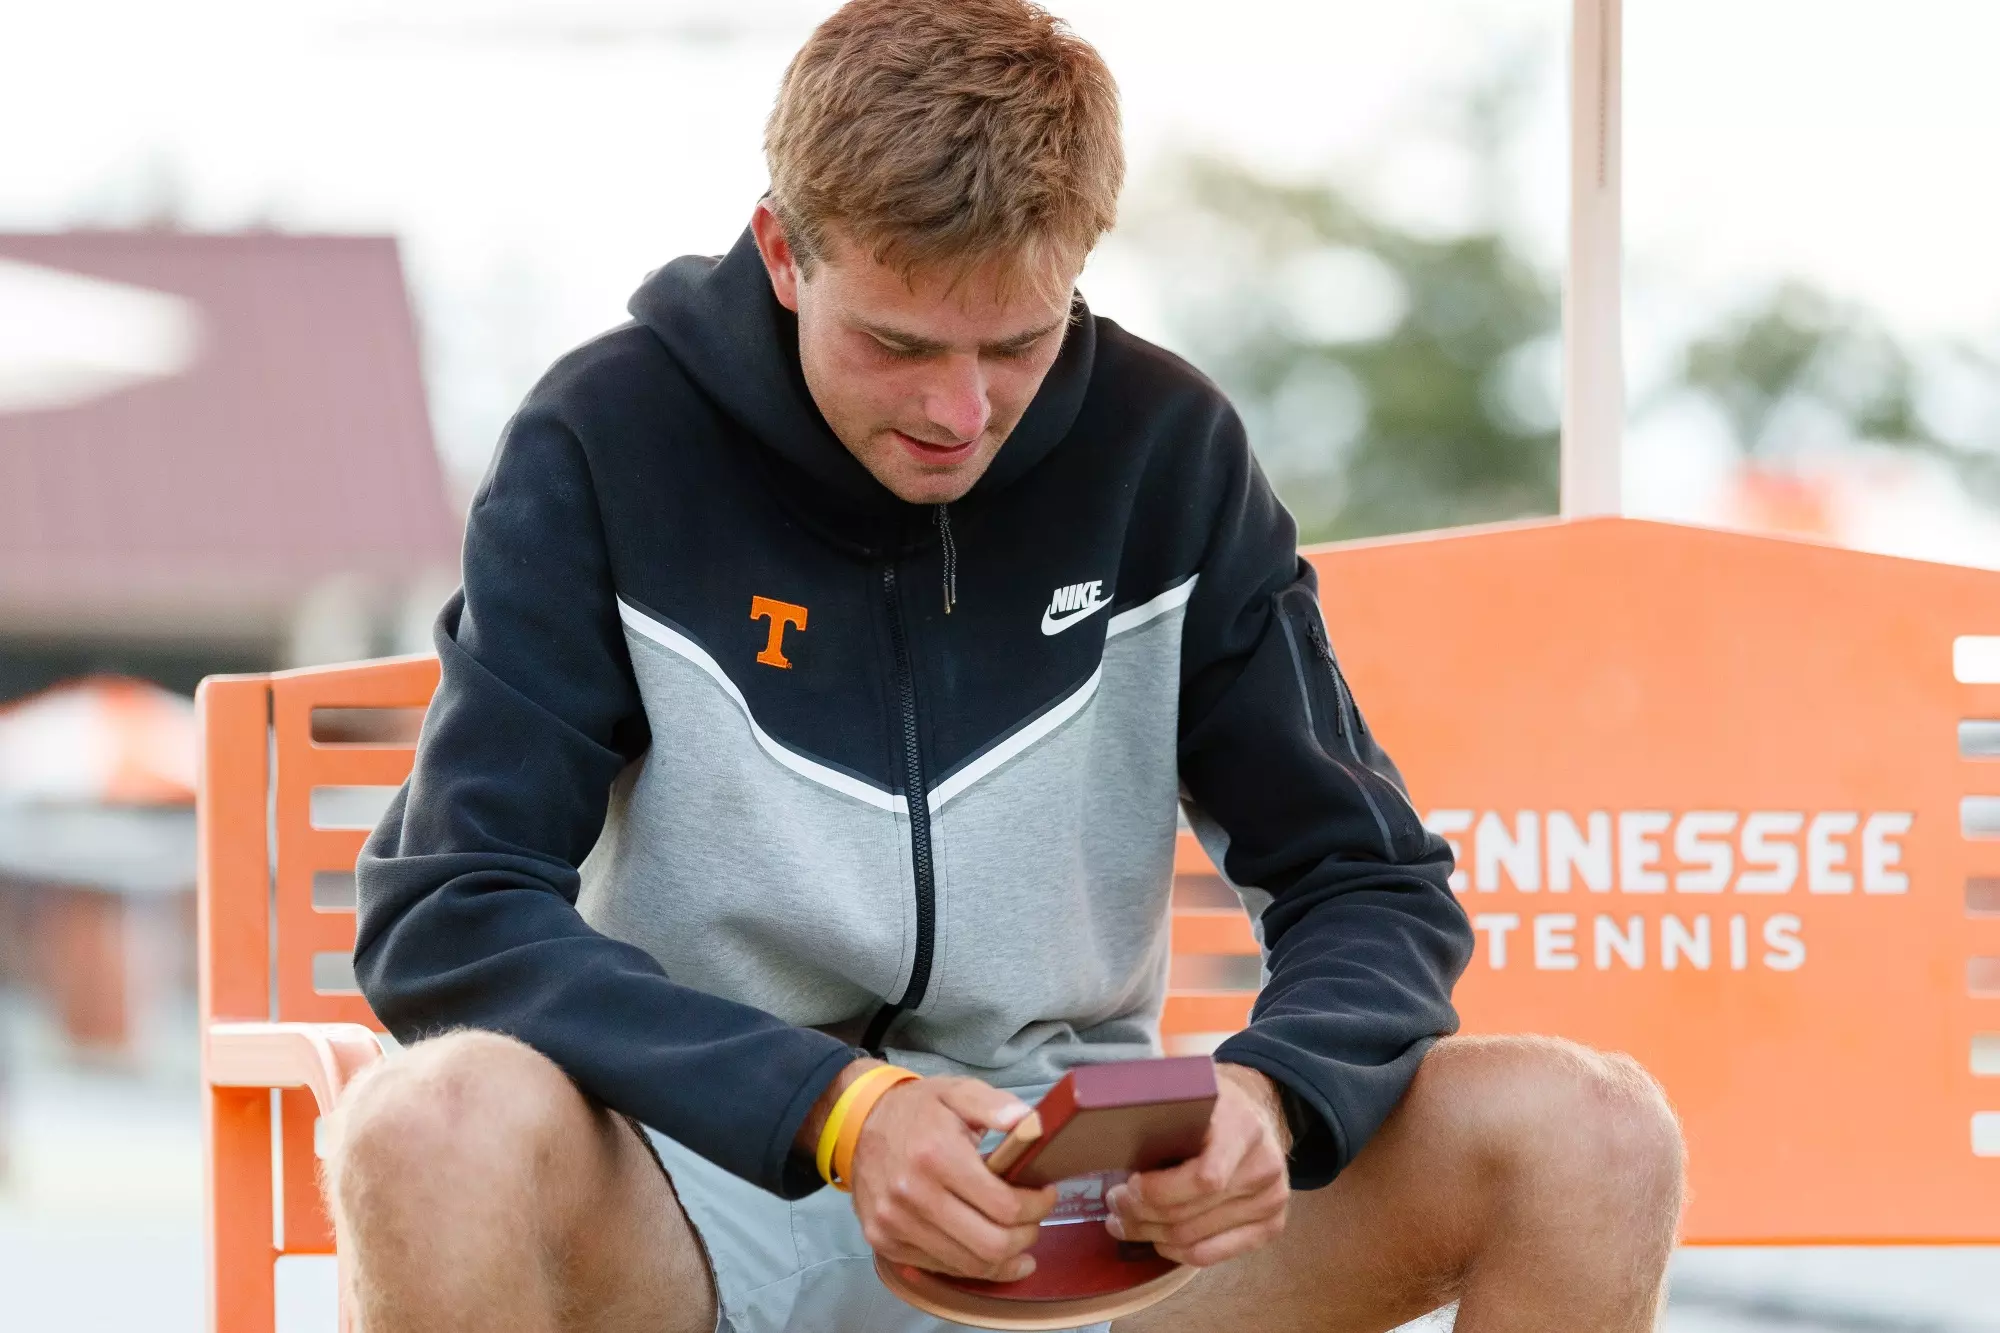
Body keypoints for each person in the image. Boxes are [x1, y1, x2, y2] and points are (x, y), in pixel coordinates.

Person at [332, 2, 1685, 1329]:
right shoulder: (602, 437)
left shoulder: (1172, 452)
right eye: (899, 345)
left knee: (1596, 1136)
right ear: (784, 254)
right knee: (427, 1124)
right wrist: (842, 1111)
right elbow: (448, 910)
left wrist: (1271, 1096)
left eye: (1019, 343)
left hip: (1090, 1204)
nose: (957, 413)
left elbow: (1370, 882)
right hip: (701, 1183)